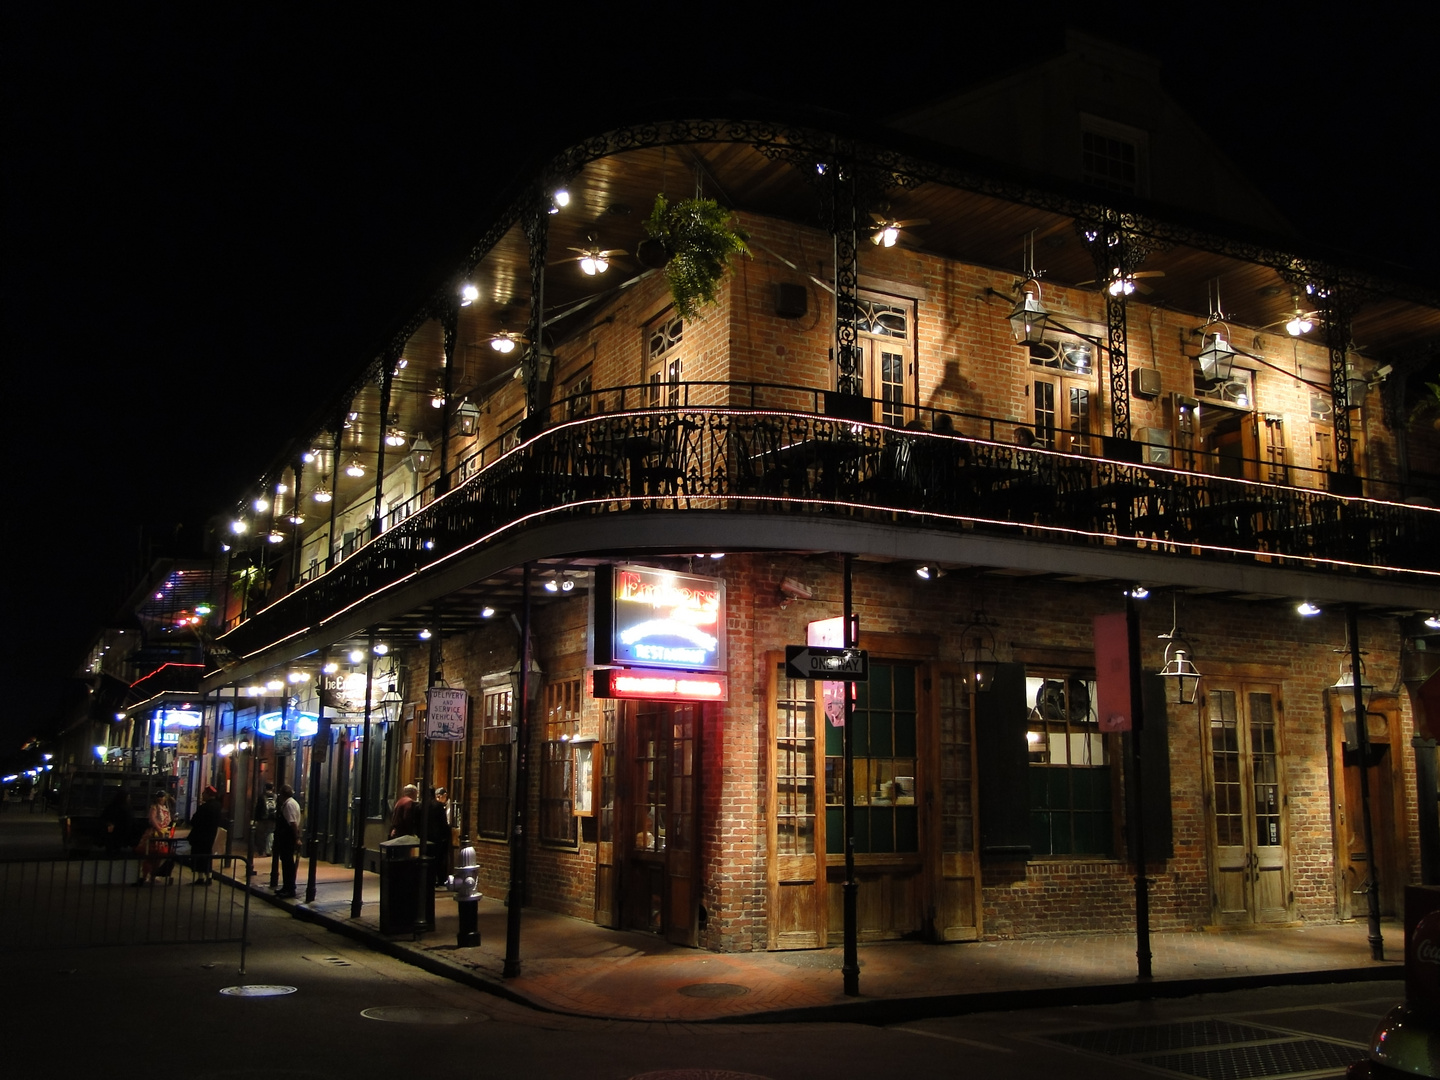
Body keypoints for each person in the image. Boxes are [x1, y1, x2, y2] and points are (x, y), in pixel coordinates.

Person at [133, 789, 173, 885]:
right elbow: (153, 819)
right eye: (159, 797)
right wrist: (159, 829)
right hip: (154, 833)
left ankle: (153, 875)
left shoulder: (165, 808)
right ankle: (145, 875)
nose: (161, 798)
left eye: (162, 796)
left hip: (163, 833)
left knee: (158, 856)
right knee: (150, 855)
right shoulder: (154, 807)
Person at [186, 786, 222, 885]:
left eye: (204, 793)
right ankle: (209, 877)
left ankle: (201, 877)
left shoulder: (204, 807)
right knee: (207, 856)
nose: (202, 795)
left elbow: (194, 821)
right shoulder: (218, 806)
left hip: (200, 835)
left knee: (199, 856)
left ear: (208, 795)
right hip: (210, 835)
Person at [272, 783, 301, 898]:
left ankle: (289, 888)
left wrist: (296, 838)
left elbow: (292, 823)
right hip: (286, 837)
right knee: (286, 862)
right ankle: (286, 887)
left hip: (288, 838)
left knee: (288, 863)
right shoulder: (290, 803)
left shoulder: (289, 805)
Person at [427, 788, 452, 887]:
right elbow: (444, 823)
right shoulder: (438, 806)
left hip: (426, 838)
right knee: (439, 860)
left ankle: (430, 878)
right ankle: (440, 879)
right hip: (438, 838)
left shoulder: (420, 806)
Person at [100, 789, 130, 857]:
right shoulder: (123, 807)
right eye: (128, 797)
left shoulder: (112, 806)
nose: (129, 799)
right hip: (116, 830)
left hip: (114, 829)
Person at [252, 781, 276, 859]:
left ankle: (261, 851)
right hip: (272, 819)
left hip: (262, 818)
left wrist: (255, 819)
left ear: (265, 788)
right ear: (273, 788)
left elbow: (258, 808)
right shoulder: (275, 797)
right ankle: (268, 850)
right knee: (270, 834)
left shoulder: (261, 797)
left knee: (261, 835)